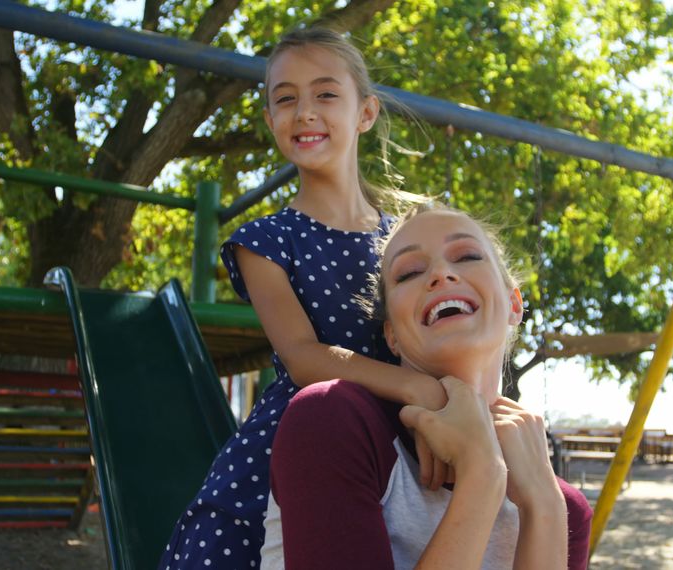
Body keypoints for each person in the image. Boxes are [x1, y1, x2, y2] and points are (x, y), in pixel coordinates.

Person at [159, 28, 451, 570]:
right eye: (285, 98)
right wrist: (421, 390)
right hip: (287, 451)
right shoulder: (265, 241)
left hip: (388, 451)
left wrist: (440, 405)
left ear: (365, 113)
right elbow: (303, 356)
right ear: (270, 120)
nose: (304, 111)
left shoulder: (405, 242)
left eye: (325, 94)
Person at [261, 202, 593, 569]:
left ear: (515, 304)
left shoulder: (564, 507)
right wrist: (482, 474)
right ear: (392, 336)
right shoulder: (330, 420)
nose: (440, 274)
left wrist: (544, 508)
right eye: (409, 273)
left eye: (466, 256)